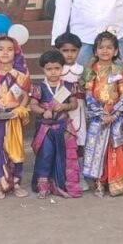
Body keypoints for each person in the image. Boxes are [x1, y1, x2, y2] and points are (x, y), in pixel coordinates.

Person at [81, 30, 123, 198]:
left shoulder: (119, 70)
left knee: (115, 148)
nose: (105, 51)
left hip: (116, 115)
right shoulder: (91, 70)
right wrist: (101, 114)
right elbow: (88, 94)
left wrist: (115, 114)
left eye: (109, 47)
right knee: (98, 150)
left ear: (116, 51)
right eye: (101, 47)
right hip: (98, 116)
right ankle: (99, 182)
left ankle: (116, 182)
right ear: (95, 51)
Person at [29, 50, 82, 199]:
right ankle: (43, 186)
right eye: (49, 69)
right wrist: (43, 111)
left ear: (62, 68)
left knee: (63, 156)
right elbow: (32, 105)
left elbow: (74, 104)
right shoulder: (39, 87)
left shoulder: (68, 86)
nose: (53, 72)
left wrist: (64, 106)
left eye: (57, 68)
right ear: (43, 69)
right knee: (45, 155)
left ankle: (61, 185)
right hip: (45, 129)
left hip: (63, 128)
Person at [0, 36, 31, 200]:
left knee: (16, 149)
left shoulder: (21, 75)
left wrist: (20, 109)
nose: (5, 53)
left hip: (14, 118)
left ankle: (16, 182)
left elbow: (25, 96)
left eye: (9, 49)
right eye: (1, 49)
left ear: (15, 52)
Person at [55, 32, 87, 191]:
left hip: (80, 109)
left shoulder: (83, 70)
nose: (69, 54)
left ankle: (79, 176)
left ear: (79, 51)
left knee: (80, 142)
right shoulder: (56, 70)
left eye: (73, 51)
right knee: (62, 141)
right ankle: (61, 176)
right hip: (60, 110)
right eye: (65, 51)